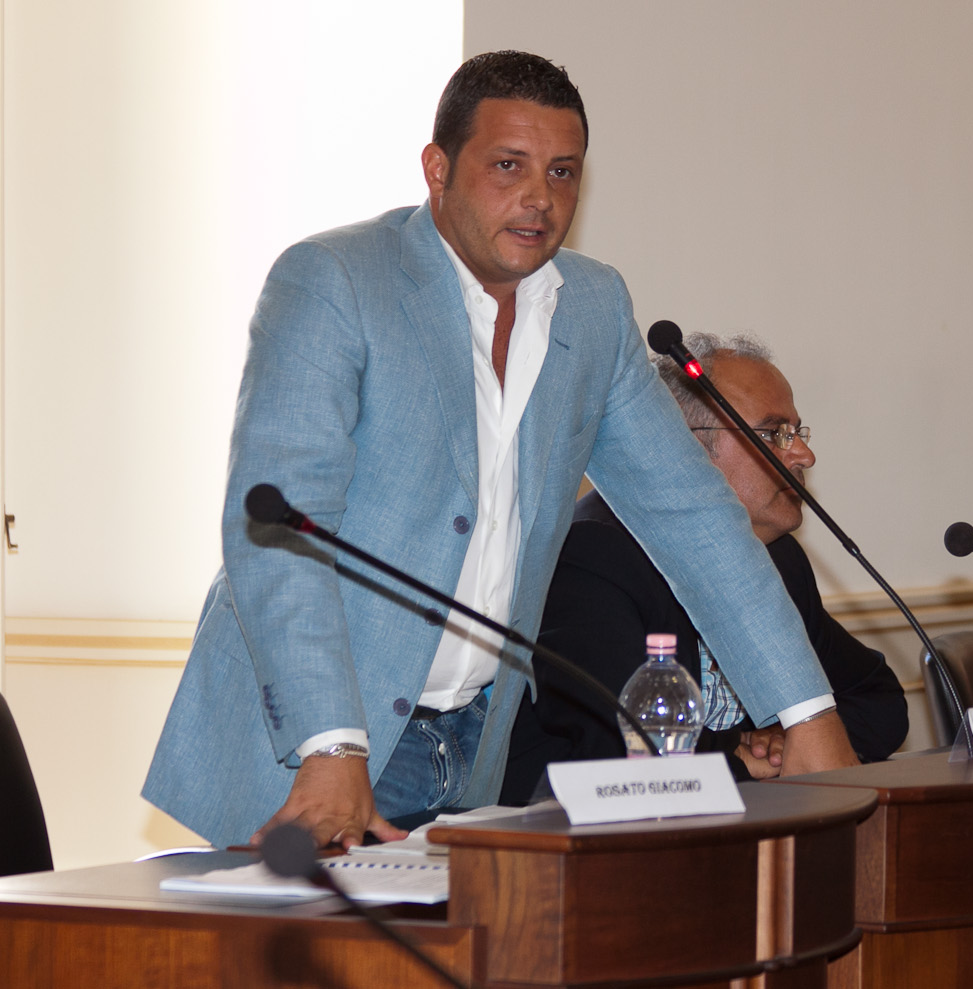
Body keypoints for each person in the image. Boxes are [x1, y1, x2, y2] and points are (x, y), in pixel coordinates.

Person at [143, 52, 857, 851]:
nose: (539, 197)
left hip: (475, 748)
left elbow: (695, 515)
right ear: (438, 169)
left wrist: (807, 712)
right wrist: (331, 742)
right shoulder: (334, 281)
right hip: (321, 746)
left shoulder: (592, 307)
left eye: (562, 172)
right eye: (508, 166)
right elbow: (277, 533)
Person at [499, 335, 908, 802]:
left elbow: (879, 700)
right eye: (774, 433)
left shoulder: (778, 558)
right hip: (567, 830)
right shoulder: (594, 555)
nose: (804, 455)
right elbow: (621, 746)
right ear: (685, 448)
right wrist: (738, 758)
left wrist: (789, 741)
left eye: (798, 433)